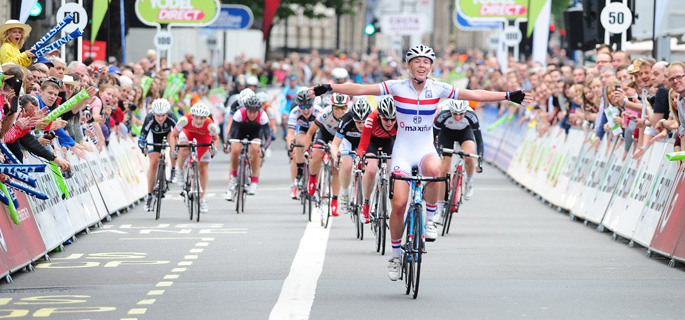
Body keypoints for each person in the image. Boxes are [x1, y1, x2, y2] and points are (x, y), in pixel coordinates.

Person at [310, 44, 531, 281]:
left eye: (426, 62)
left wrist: (509, 96)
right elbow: (363, 89)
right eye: (417, 61)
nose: (422, 65)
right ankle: (395, 255)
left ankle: (432, 218)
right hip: (403, 150)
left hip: (425, 147)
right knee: (398, 205)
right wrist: (330, 87)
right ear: (409, 65)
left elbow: (474, 94)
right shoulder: (396, 86)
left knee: (436, 169)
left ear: (431, 66)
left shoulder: (438, 88)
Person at [433, 99, 483, 223]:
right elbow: (432, 136)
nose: (458, 116)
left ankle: (469, 181)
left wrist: (480, 159)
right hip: (446, 134)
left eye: (461, 114)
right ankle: (439, 210)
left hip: (465, 133)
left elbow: (479, 140)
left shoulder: (471, 115)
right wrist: (436, 152)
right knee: (443, 169)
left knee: (469, 157)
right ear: (450, 111)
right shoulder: (442, 114)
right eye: (455, 113)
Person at [304, 93, 350, 217]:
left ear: (346, 107)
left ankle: (334, 201)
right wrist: (306, 150)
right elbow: (310, 133)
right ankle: (312, 179)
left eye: (343, 108)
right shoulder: (325, 113)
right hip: (325, 133)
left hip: (339, 138)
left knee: (337, 167)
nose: (340, 111)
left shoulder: (349, 115)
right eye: (336, 108)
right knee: (316, 154)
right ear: (332, 106)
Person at [170, 102, 220, 214]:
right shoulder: (184, 120)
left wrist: (214, 148)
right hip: (188, 134)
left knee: (203, 167)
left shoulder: (210, 125)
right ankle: (180, 170)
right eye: (196, 118)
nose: (198, 121)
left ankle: (202, 198)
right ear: (192, 116)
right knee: (184, 149)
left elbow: (216, 138)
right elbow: (173, 135)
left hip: (204, 138)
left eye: (201, 118)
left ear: (206, 118)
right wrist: (174, 149)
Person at [355, 97, 397, 224]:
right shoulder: (371, 118)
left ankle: (393, 207)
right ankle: (366, 204)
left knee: (394, 171)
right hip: (372, 142)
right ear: (380, 116)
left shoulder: (400, 119)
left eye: (392, 119)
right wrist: (361, 158)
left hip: (390, 142)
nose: (389, 123)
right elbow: (362, 144)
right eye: (386, 119)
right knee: (372, 169)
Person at [330, 99, 371, 214]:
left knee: (370, 167)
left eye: (364, 122)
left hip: (364, 142)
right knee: (346, 166)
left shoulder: (373, 120)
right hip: (348, 142)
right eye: (358, 122)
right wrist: (336, 156)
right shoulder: (346, 120)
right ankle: (344, 193)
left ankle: (368, 198)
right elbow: (334, 145)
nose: (362, 125)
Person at [226, 95, 270, 196]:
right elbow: (231, 132)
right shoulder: (239, 113)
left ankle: (254, 181)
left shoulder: (263, 116)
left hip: (255, 133)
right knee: (235, 149)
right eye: (250, 111)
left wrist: (264, 148)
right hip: (240, 131)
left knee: (255, 149)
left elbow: (268, 136)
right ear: (246, 109)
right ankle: (233, 177)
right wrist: (227, 142)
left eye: (254, 112)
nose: (252, 115)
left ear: (258, 110)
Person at [138, 98, 177, 212]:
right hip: (153, 135)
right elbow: (142, 137)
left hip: (169, 133)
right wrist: (143, 146)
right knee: (154, 162)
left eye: (163, 115)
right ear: (153, 113)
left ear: (167, 113)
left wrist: (177, 147)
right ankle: (149, 196)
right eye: (158, 116)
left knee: (174, 143)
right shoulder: (149, 118)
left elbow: (181, 133)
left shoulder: (172, 117)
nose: (160, 118)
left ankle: (173, 170)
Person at [286, 89, 322, 199]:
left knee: (318, 154)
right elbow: (290, 134)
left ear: (313, 105)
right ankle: (300, 173)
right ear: (298, 107)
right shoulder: (294, 112)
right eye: (302, 107)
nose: (305, 110)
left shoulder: (319, 111)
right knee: (299, 141)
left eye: (308, 107)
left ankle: (317, 186)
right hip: (303, 130)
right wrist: (290, 147)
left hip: (317, 131)